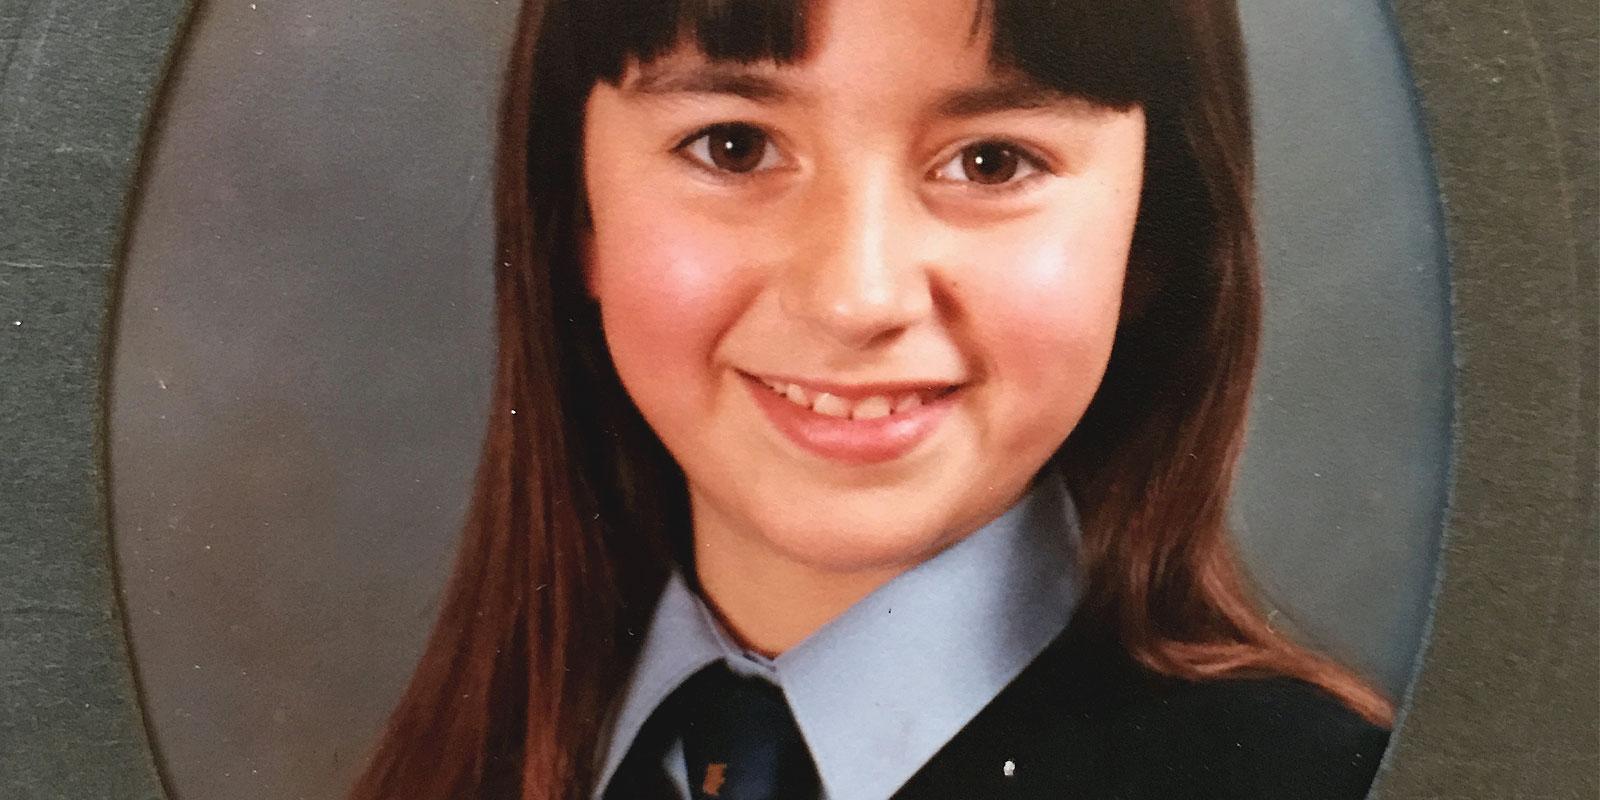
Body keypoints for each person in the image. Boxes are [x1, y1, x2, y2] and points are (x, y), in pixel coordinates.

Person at [350, 0, 1395, 798]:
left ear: (1153, 237)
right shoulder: (465, 758)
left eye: (992, 161)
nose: (855, 296)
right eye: (733, 145)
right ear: (575, 212)